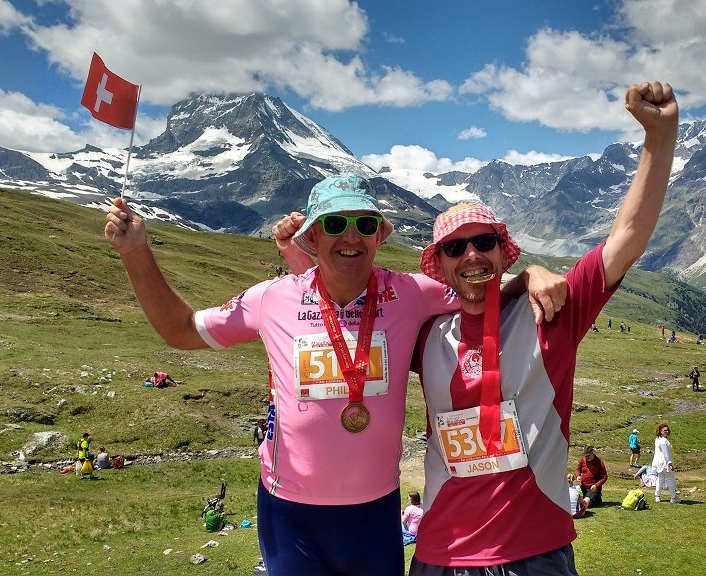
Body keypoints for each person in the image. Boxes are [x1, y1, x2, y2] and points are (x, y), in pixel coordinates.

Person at [106, 174, 566, 576]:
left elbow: (478, 283)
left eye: (365, 225)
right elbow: (181, 329)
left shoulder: (411, 293)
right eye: (334, 223)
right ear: (311, 238)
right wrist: (135, 252)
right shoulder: (272, 298)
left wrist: (531, 276)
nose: (351, 235)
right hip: (291, 514)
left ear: (378, 237)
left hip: (374, 512)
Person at [408, 80, 678, 574]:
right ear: (440, 266)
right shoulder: (424, 334)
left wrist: (659, 140)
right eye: (454, 248)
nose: (471, 255)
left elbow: (626, 240)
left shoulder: (550, 315)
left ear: (501, 250)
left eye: (484, 241)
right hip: (438, 555)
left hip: (534, 553)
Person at [652, 423, 679, 503]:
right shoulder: (664, 441)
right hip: (664, 463)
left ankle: (657, 496)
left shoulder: (657, 439)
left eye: (667, 430)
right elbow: (666, 453)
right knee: (670, 479)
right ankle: (673, 497)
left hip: (658, 463)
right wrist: (669, 463)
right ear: (660, 431)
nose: (666, 432)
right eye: (665, 430)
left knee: (660, 479)